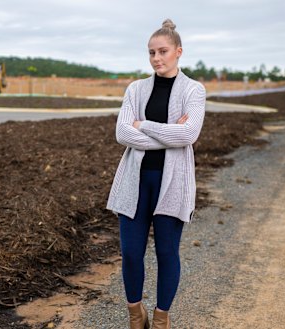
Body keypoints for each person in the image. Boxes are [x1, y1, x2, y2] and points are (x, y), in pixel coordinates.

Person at [106, 18, 206, 329]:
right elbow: (122, 133)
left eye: (162, 51)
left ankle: (161, 319)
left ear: (178, 52)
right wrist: (169, 131)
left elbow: (188, 135)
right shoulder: (136, 89)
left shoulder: (194, 90)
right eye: (151, 52)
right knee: (131, 254)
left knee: (166, 253)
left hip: (172, 185)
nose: (156, 58)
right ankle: (136, 315)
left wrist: (144, 126)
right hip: (134, 184)